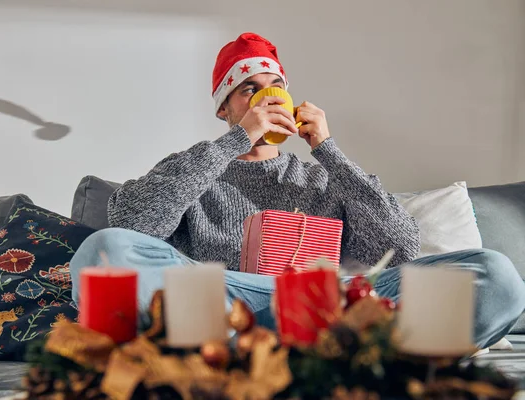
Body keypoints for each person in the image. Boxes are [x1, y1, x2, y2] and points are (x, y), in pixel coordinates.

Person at [70, 32, 524, 349]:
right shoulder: (195, 168)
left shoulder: (323, 177)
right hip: (217, 303)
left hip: (327, 308)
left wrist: (327, 149)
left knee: (497, 276)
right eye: (249, 90)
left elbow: (400, 246)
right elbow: (131, 225)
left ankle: (315, 348)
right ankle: (250, 349)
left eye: (276, 88)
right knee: (101, 252)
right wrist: (235, 142)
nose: (267, 99)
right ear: (224, 109)